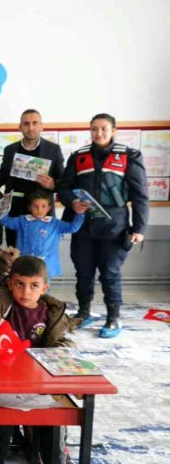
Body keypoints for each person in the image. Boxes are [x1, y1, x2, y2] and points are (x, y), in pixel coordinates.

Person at [57, 113, 149, 338]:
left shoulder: (130, 156)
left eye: (104, 129)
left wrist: (139, 228)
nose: (98, 133)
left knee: (110, 274)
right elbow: (64, 188)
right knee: (83, 273)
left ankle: (113, 318)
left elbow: (140, 195)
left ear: (113, 131)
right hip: (83, 226)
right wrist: (72, 202)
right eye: (94, 129)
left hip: (114, 227)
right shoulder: (78, 157)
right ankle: (84, 312)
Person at [0, 256, 74, 464]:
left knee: (50, 422)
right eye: (20, 284)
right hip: (3, 382)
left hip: (37, 382)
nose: (26, 291)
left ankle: (52, 455)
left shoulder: (52, 312)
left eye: (34, 286)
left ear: (45, 287)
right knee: (2, 427)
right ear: (10, 283)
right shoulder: (1, 299)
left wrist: (58, 352)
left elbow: (63, 345)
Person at [0, 109, 65, 246]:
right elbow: (3, 175)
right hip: (15, 211)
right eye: (26, 124)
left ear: (41, 126)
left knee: (41, 255)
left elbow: (63, 179)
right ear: (20, 127)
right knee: (14, 255)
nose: (31, 128)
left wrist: (52, 184)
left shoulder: (53, 149)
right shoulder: (10, 150)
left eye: (35, 123)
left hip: (41, 211)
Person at [0, 190, 86, 279]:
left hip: (46, 267)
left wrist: (80, 213)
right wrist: (3, 204)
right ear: (29, 207)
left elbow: (73, 227)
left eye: (43, 206)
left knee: (43, 289)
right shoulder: (22, 220)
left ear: (49, 208)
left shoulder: (55, 223)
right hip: (24, 265)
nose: (39, 210)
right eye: (35, 206)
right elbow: (5, 221)